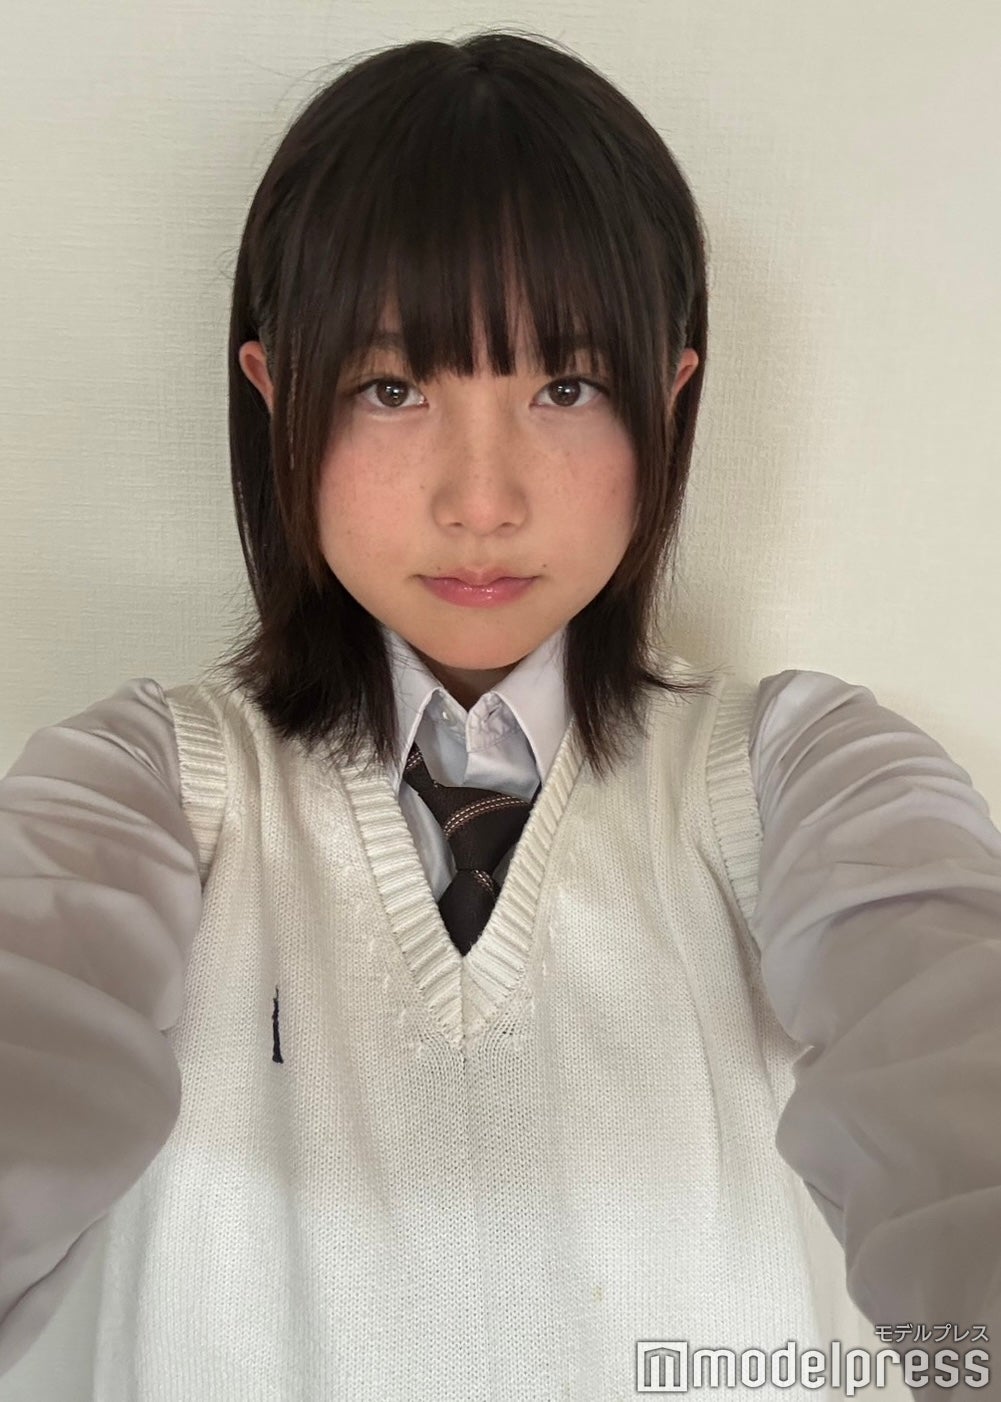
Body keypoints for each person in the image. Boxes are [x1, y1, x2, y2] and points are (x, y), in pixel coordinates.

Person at [2, 29, 1000, 1402]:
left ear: (671, 397)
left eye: (565, 388)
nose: (483, 501)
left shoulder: (800, 773)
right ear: (274, 394)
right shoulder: (146, 785)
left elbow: (957, 1059)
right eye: (393, 389)